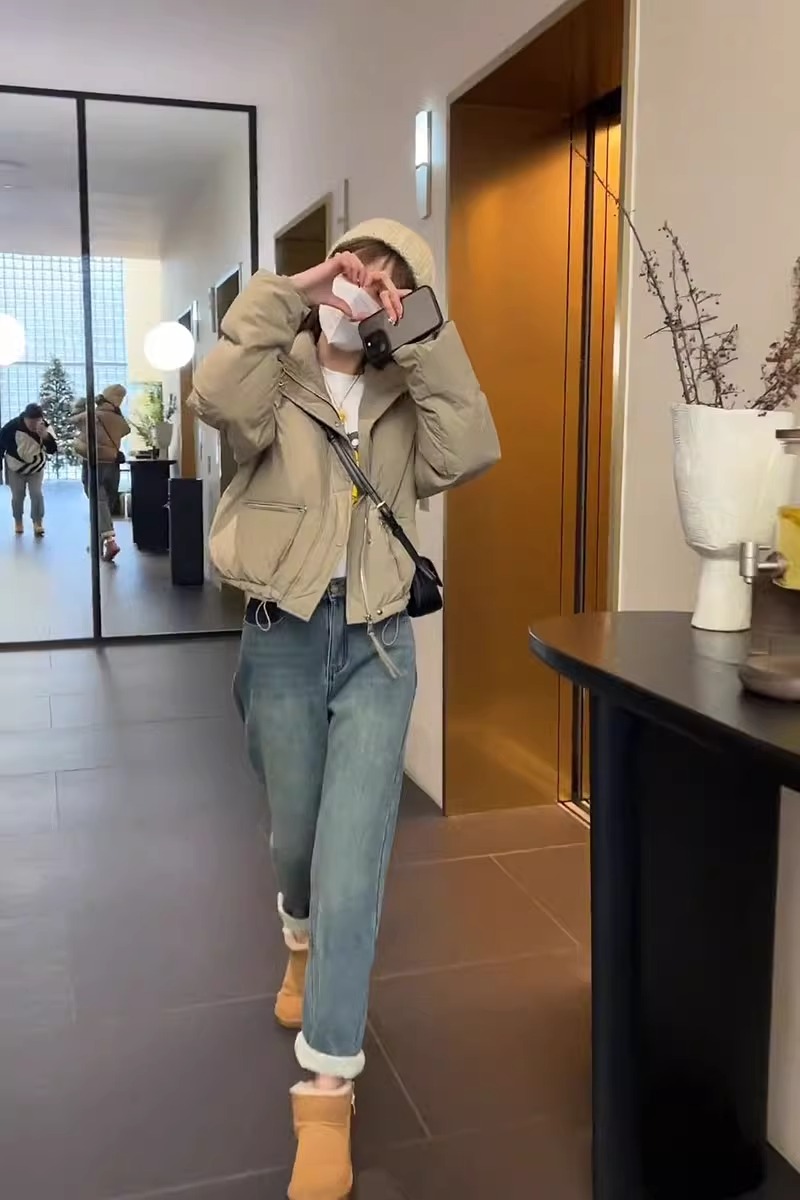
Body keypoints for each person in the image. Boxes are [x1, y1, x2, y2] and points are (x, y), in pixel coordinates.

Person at [189, 218, 500, 1199]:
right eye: (361, 267)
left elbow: (472, 449)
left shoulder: (409, 398)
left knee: (351, 864)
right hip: (280, 638)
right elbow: (214, 394)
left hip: (377, 646)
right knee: (296, 842)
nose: (367, 287)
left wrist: (423, 336)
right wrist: (298, 286)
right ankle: (296, 935)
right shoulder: (272, 380)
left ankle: (326, 1088)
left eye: (390, 282)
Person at [71, 384, 130, 562]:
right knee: (103, 506)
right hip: (113, 466)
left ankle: (110, 541)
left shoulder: (92, 416)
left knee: (98, 503)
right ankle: (97, 544)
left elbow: (73, 420)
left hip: (93, 464)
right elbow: (126, 430)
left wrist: (87, 407)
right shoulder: (119, 419)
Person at [0, 403, 57, 537]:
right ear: (25, 418)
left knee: (36, 493)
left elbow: (52, 450)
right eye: (31, 421)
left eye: (37, 421)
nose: (34, 425)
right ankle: (18, 521)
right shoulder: (12, 427)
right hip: (15, 467)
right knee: (18, 496)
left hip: (36, 467)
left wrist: (45, 437)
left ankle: (38, 522)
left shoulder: (45, 427)